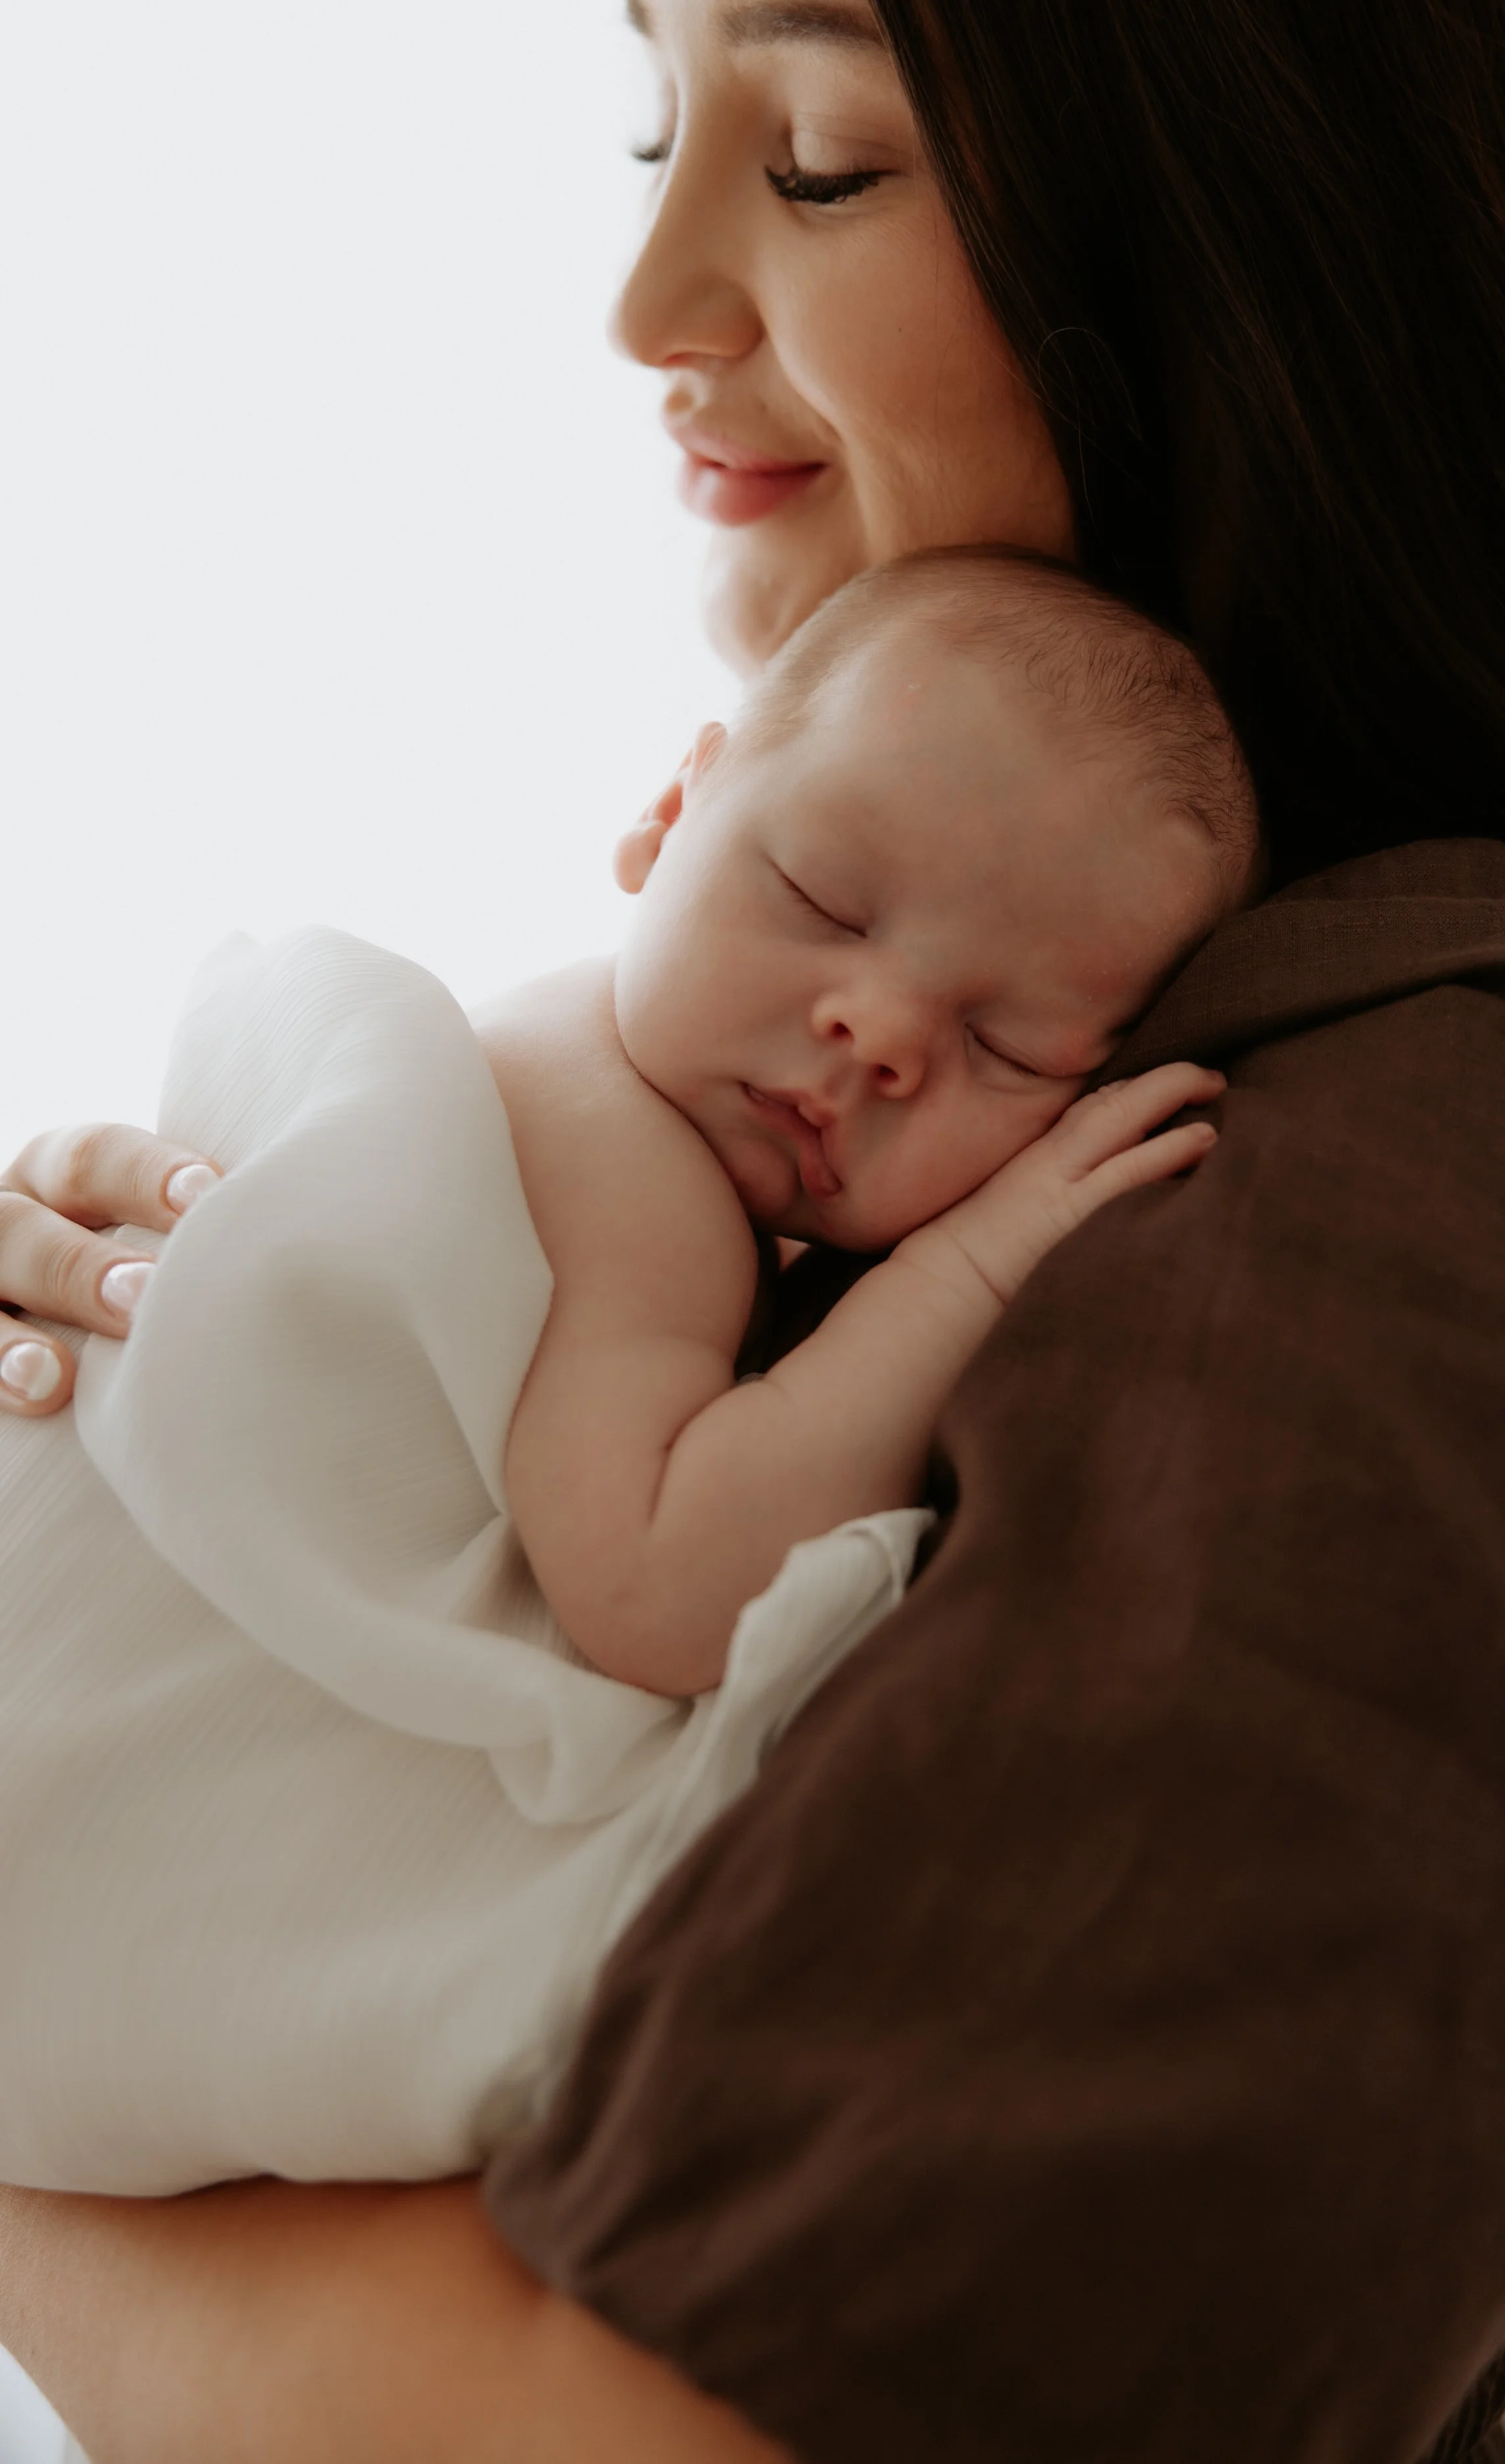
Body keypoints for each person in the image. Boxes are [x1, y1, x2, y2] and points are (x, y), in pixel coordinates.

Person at [4, 1, 1505, 2459]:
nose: (644, 300)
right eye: (654, 127)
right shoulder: (859, 1069)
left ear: (1256, 239)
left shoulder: (1435, 1144)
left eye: (831, 160)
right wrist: (176, 1356)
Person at [0, 554, 1234, 2200]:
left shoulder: (620, 1071)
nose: (874, 1029)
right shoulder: (626, 1160)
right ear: (669, 813)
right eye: (824, 901)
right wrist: (975, 1260)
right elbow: (653, 1585)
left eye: (1006, 1046)